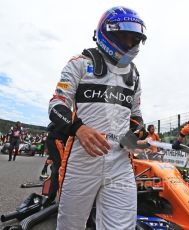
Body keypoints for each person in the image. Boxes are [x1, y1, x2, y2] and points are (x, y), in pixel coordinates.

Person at [48, 6, 147, 229]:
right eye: (124, 36)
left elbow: (136, 117)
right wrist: (78, 128)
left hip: (120, 163)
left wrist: (134, 135)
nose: (130, 43)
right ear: (107, 33)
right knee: (70, 225)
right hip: (81, 161)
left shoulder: (134, 75)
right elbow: (56, 105)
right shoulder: (79, 63)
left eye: (134, 38)